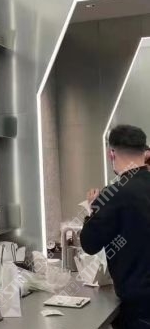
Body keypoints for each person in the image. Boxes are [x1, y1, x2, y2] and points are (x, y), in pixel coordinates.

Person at [81, 124, 150, 329]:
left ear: (112, 154)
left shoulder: (113, 194)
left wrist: (93, 211)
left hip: (139, 306)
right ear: (144, 151)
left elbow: (89, 244)